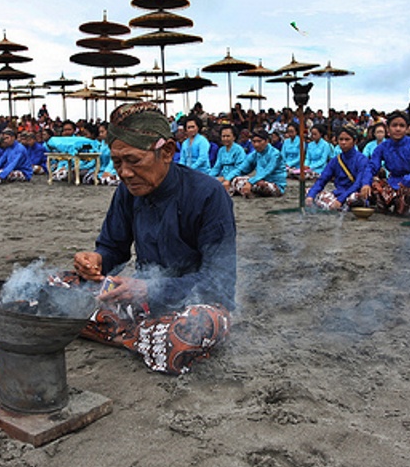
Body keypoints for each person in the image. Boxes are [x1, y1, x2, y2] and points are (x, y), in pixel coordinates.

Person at [69, 102, 235, 375]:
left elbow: (220, 282)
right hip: (141, 301)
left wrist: (149, 288)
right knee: (59, 285)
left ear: (167, 151)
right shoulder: (126, 191)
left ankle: (131, 333)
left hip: (195, 306)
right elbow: (113, 248)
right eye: (117, 162)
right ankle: (144, 337)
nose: (124, 173)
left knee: (189, 333)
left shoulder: (209, 194)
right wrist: (96, 260)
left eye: (133, 160)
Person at [360, 111, 410, 215]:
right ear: (388, 128)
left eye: (402, 126)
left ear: (406, 128)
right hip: (392, 182)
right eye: (394, 125)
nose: (398, 129)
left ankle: (402, 204)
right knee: (373, 185)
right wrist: (366, 184)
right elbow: (371, 166)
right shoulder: (383, 147)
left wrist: (409, 179)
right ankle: (386, 204)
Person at [305, 125, 371, 211]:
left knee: (356, 198)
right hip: (338, 193)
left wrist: (340, 200)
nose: (343, 142)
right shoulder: (335, 160)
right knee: (309, 191)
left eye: (347, 139)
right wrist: (311, 196)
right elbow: (322, 179)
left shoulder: (361, 159)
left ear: (355, 141)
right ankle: (337, 206)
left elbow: (357, 184)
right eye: (341, 139)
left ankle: (336, 205)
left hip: (353, 193)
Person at [229, 129, 287, 198]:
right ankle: (248, 191)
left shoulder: (275, 154)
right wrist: (227, 179)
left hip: (274, 184)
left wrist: (250, 182)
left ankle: (245, 191)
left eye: (259, 141)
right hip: (257, 181)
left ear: (267, 141)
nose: (256, 145)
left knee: (260, 184)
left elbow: (266, 172)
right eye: (254, 142)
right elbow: (242, 168)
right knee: (236, 179)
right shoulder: (254, 154)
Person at [208, 125, 246, 192]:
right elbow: (217, 167)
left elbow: (239, 169)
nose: (225, 138)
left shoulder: (239, 150)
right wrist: (209, 177)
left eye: (228, 136)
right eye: (223, 136)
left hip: (236, 177)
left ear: (234, 137)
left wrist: (227, 178)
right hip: (222, 178)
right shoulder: (221, 150)